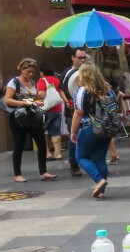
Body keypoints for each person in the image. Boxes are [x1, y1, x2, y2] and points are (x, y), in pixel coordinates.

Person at [3, 57, 57, 183]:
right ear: (22, 69)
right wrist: (23, 102)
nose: (31, 74)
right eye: (28, 72)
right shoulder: (14, 82)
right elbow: (8, 99)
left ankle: (43, 171)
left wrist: (38, 100)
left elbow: (35, 99)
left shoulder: (33, 83)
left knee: (42, 143)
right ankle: (18, 174)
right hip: (18, 118)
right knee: (19, 144)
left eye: (33, 72)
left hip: (32, 116)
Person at [70, 63, 117, 198]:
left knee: (81, 157)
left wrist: (73, 132)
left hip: (89, 127)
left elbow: (78, 113)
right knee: (100, 158)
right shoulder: (108, 89)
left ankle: (99, 180)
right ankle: (101, 192)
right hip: (107, 127)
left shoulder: (82, 91)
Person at [61, 48, 88, 176]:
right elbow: (60, 89)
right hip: (72, 111)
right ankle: (74, 164)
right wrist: (67, 101)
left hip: (88, 110)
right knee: (73, 137)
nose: (83, 60)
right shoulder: (66, 72)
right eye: (80, 58)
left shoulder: (88, 71)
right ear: (73, 57)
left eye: (84, 57)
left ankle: (93, 162)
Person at [37, 64, 66, 161]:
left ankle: (47, 153)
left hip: (46, 110)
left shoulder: (42, 80)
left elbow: (41, 95)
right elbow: (61, 92)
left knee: (42, 132)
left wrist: (34, 97)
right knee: (56, 132)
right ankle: (57, 154)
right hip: (57, 110)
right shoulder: (56, 80)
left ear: (42, 72)